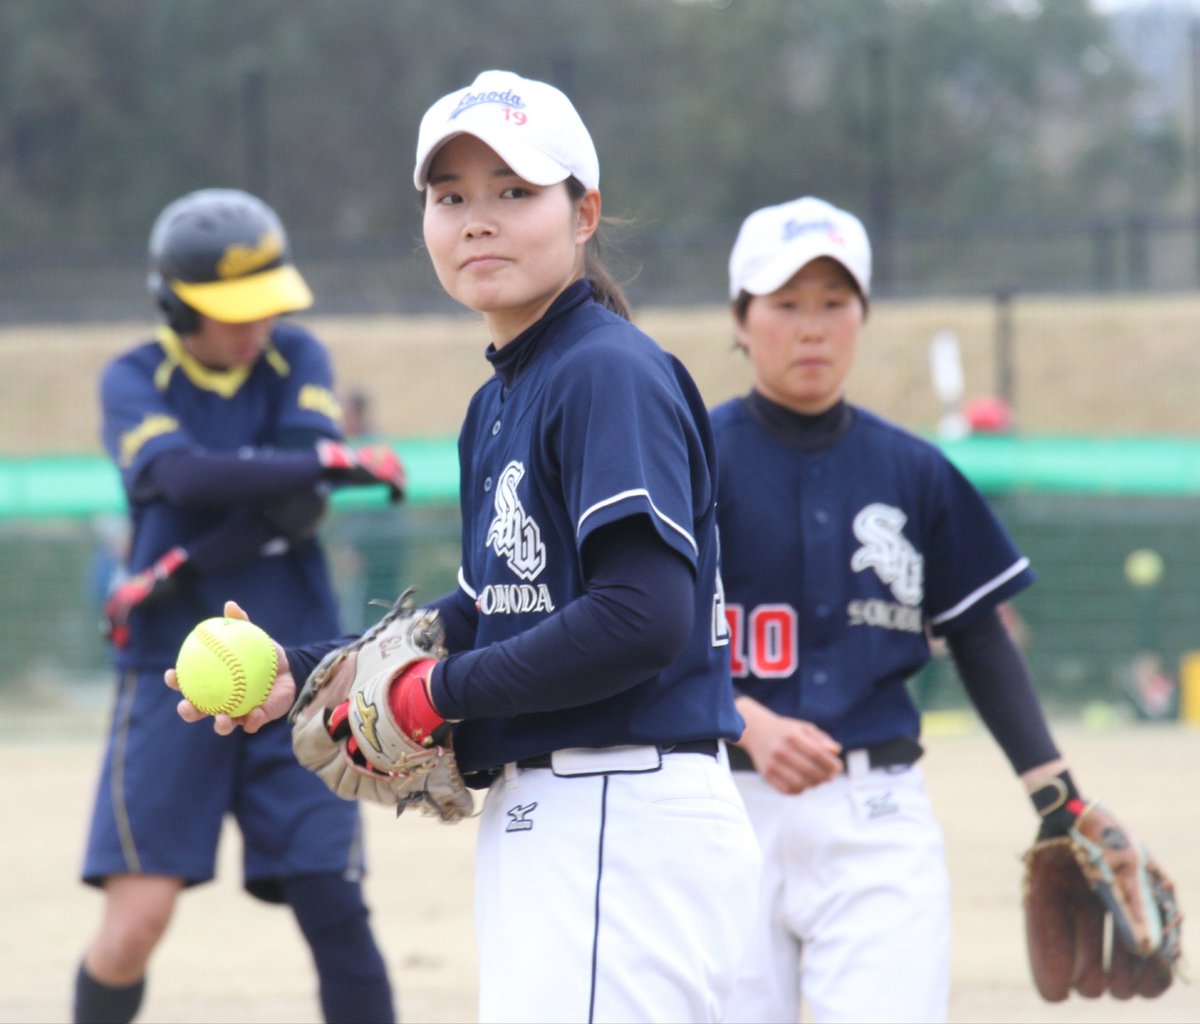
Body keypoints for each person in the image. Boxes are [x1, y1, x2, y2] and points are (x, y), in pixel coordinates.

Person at [171, 71, 762, 1024]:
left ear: (585, 213)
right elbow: (483, 613)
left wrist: (433, 696)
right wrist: (306, 670)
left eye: (515, 192)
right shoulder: (500, 399)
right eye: (451, 198)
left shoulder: (606, 372)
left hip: (618, 802)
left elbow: (642, 616)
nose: (478, 219)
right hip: (563, 812)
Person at [710, 196, 1105, 1023]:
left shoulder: (914, 471)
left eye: (833, 304)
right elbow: (648, 627)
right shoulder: (691, 460)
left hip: (876, 813)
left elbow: (979, 637)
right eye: (785, 305)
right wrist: (743, 720)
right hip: (720, 808)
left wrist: (1056, 796)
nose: (812, 327)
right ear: (741, 319)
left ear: (863, 316)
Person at [77, 188, 406, 1024]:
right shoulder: (133, 376)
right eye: (233, 312)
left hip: (301, 664)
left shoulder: (297, 355)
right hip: (165, 671)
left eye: (265, 305)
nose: (254, 327)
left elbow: (294, 505)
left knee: (334, 907)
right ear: (174, 303)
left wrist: (186, 550)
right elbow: (181, 477)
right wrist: (323, 459)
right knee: (134, 923)